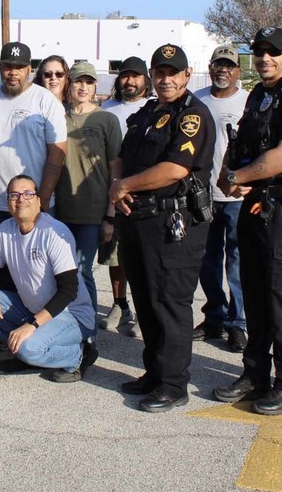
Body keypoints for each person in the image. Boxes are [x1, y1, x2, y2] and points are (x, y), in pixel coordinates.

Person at [213, 27, 282, 416]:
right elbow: (241, 146)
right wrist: (232, 171)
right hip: (255, 205)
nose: (265, 58)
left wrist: (238, 178)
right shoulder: (258, 94)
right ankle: (255, 374)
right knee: (254, 294)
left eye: (273, 52)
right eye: (259, 52)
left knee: (280, 299)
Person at [109, 43, 215, 412]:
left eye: (173, 73)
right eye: (160, 72)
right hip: (138, 219)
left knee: (170, 302)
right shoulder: (148, 112)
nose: (165, 79)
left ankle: (173, 384)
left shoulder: (193, 115)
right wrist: (117, 184)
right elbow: (121, 157)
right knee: (147, 299)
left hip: (175, 223)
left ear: (187, 75)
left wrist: (125, 186)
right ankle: (154, 372)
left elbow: (175, 169)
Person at [0, 175, 98, 383]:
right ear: (7, 202)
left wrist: (31, 326)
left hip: (73, 315)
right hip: (34, 310)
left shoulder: (54, 232)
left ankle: (79, 355)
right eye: (14, 194)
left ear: (39, 201)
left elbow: (69, 290)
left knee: (28, 348)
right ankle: (32, 352)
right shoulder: (5, 229)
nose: (20, 199)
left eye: (28, 193)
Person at [0, 42, 67, 284]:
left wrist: (42, 198)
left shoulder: (45, 101)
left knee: (35, 274)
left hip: (33, 205)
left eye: (19, 67)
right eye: (8, 66)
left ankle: (36, 321)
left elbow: (57, 156)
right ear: (0, 68)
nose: (13, 72)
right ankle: (0, 321)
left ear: (29, 69)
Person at [54, 62, 121, 321]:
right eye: (78, 81)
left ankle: (87, 327)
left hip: (92, 212)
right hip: (59, 209)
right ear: (69, 83)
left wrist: (110, 216)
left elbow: (116, 168)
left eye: (89, 82)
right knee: (59, 271)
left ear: (95, 86)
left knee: (82, 271)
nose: (83, 87)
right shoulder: (58, 115)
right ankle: (63, 322)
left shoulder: (106, 120)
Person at [193, 45, 249, 352]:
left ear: (238, 70)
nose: (222, 70)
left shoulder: (248, 102)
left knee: (237, 262)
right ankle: (214, 316)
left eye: (229, 65)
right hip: (203, 196)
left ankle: (237, 323)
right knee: (207, 261)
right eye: (218, 64)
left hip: (236, 197)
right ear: (210, 67)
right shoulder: (197, 100)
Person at [97, 56, 151, 336]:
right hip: (112, 195)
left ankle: (145, 311)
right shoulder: (106, 109)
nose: (129, 81)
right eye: (125, 76)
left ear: (145, 79)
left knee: (143, 259)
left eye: (135, 76)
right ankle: (120, 305)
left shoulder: (154, 108)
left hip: (145, 195)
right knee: (114, 257)